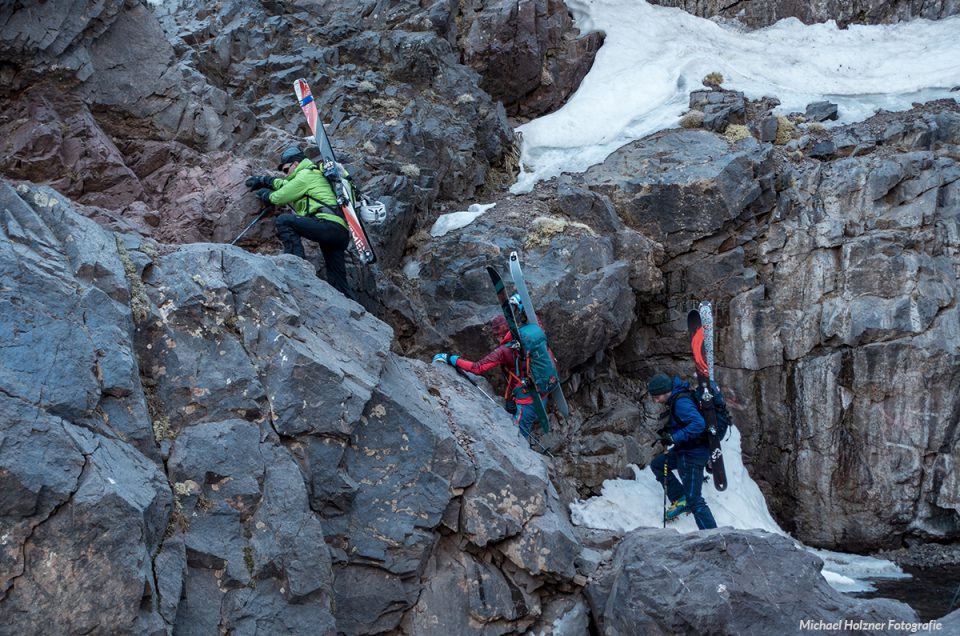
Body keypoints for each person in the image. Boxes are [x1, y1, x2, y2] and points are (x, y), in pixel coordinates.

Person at [433, 297, 550, 440]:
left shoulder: (504, 351)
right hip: (544, 390)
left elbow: (478, 368)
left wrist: (450, 358)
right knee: (526, 423)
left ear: (499, 335)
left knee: (518, 439)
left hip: (527, 402)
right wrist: (521, 304)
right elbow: (535, 320)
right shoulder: (531, 334)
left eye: (496, 336)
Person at [245, 146, 354, 299]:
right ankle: (352, 311)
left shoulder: (305, 175)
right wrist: (265, 181)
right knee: (338, 280)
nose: (285, 173)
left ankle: (295, 264)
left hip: (327, 225)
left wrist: (266, 195)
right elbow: (286, 185)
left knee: (284, 221)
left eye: (286, 169)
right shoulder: (311, 174)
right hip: (340, 231)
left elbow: (279, 197)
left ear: (296, 164)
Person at [648, 372, 718, 530]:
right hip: (685, 451)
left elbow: (698, 424)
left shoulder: (681, 403)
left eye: (657, 396)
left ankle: (714, 537)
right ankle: (681, 499)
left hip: (693, 454)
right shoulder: (678, 398)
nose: (656, 400)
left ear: (666, 391)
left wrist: (674, 438)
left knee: (696, 501)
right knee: (658, 465)